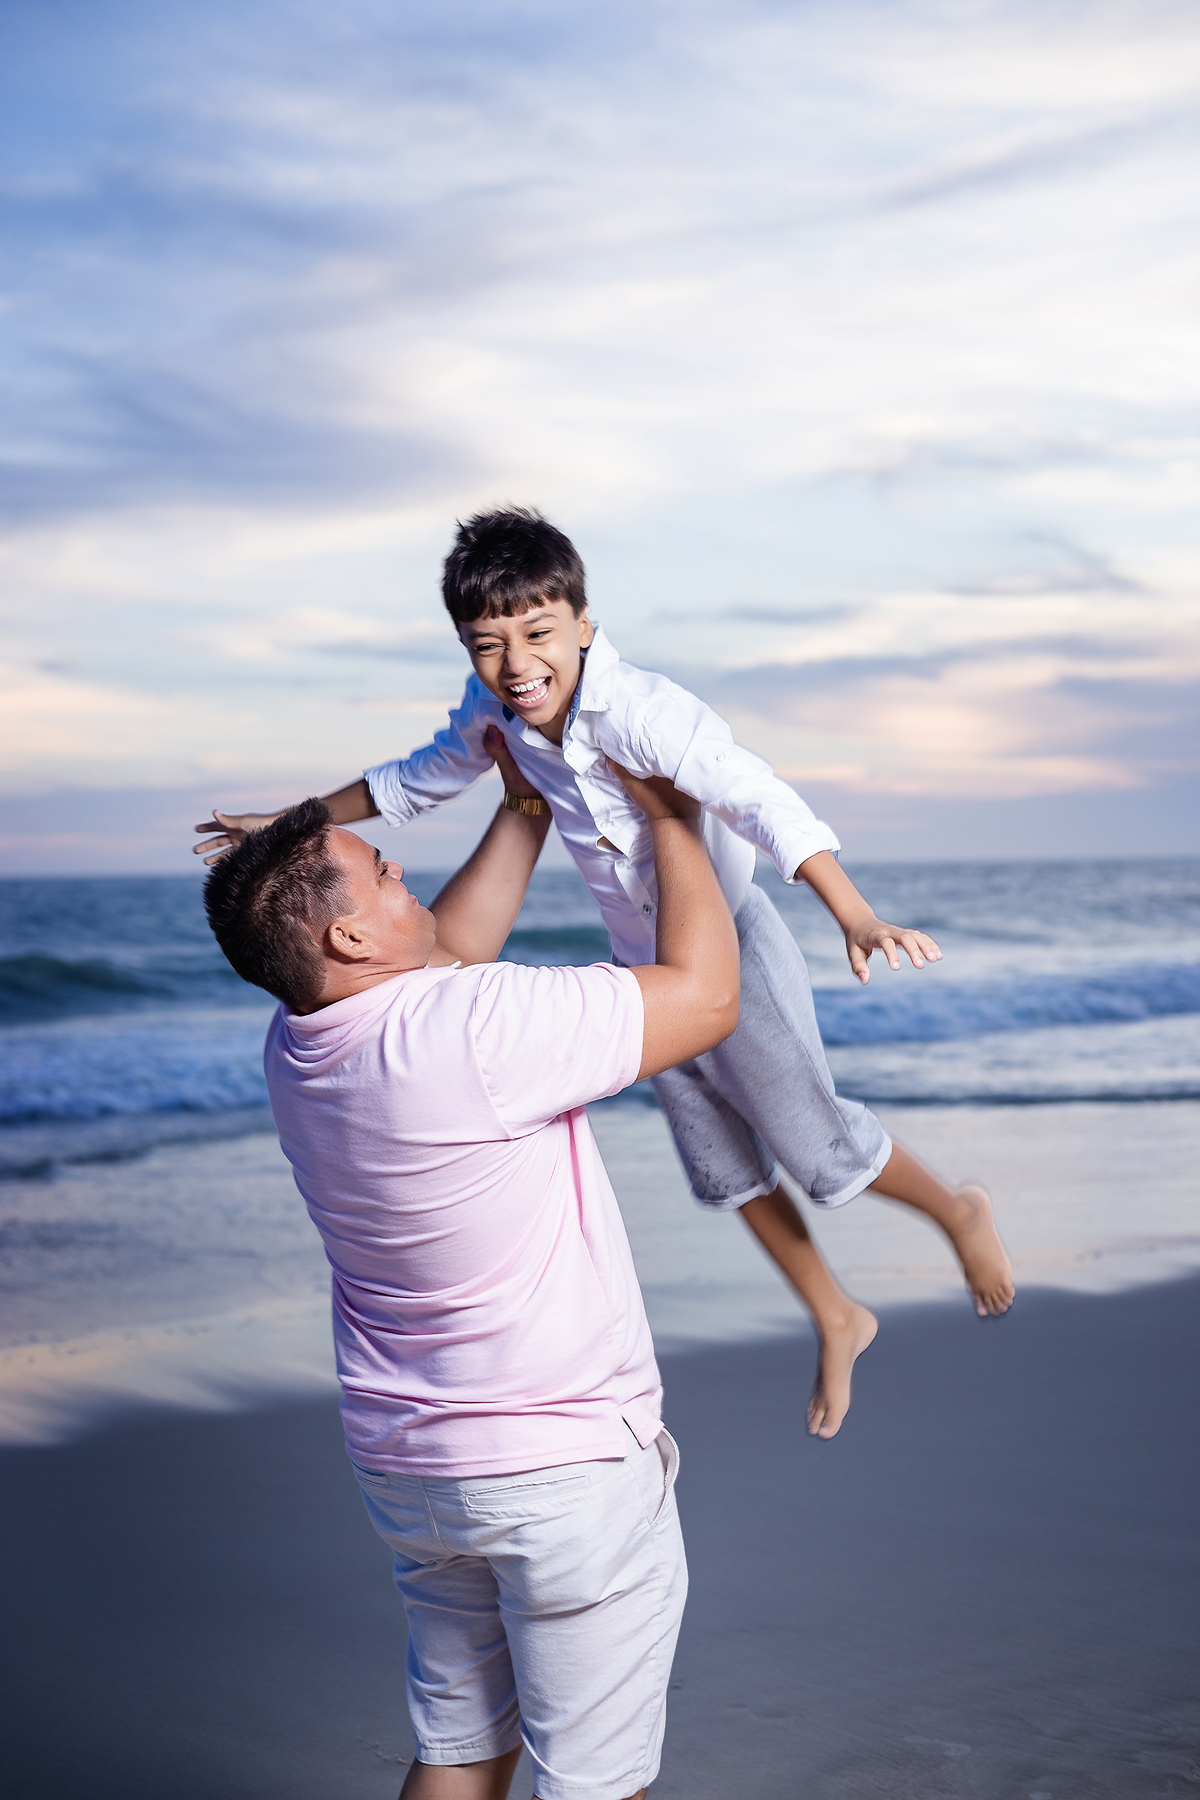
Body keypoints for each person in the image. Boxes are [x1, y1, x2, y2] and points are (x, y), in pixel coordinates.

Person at [196, 509, 1014, 1439]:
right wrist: (285, 824)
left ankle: (957, 1210)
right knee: (723, 1166)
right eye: (487, 646)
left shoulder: (644, 711)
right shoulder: (498, 713)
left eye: (538, 633)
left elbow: (757, 795)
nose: (516, 665)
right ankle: (834, 1312)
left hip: (730, 941)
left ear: (584, 624)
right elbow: (416, 778)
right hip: (645, 958)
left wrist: (853, 911)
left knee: (815, 1144)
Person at [203, 733, 739, 1800]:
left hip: (415, 1472)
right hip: (557, 1468)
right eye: (382, 870)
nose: (402, 868)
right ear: (350, 934)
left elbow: (441, 951)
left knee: (461, 1751)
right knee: (593, 1782)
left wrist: (523, 806)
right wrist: (671, 817)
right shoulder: (476, 1028)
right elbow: (706, 998)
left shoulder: (301, 1045)